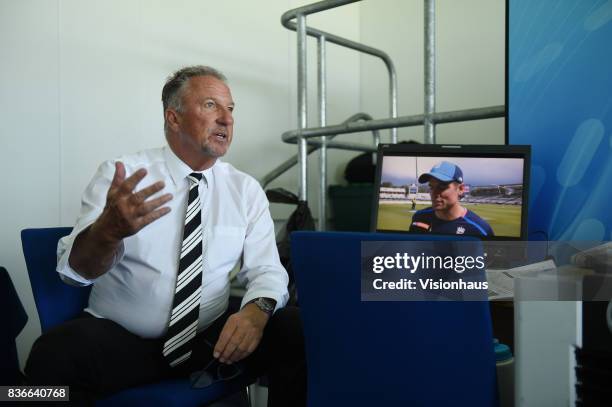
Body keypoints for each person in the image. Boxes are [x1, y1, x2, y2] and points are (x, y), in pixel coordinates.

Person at [25, 66, 306, 406]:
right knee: (50, 358)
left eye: (230, 109)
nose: (226, 120)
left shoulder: (244, 189)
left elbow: (267, 271)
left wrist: (255, 313)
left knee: (300, 330)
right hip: (125, 340)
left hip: (210, 343)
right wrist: (108, 231)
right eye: (210, 106)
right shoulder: (123, 175)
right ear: (174, 118)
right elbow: (74, 272)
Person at [408, 161, 494, 237]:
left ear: (460, 189)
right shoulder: (419, 217)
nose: (434, 193)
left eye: (442, 187)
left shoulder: (479, 230)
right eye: (431, 187)